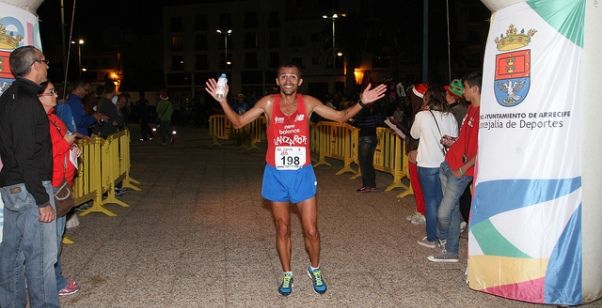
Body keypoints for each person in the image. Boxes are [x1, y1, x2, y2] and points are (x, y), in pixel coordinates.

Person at [205, 63, 386, 296]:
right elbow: (239, 123)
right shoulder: (268, 103)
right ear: (277, 81)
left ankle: (315, 269)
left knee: (311, 230)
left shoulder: (308, 102)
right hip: (275, 174)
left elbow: (341, 117)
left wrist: (362, 102)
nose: (288, 80)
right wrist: (222, 101)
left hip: (302, 173)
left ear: (300, 82)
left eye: (293, 77)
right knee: (282, 228)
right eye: (283, 77)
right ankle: (287, 273)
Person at [0, 45, 60, 307]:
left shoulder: (7, 98)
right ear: (35, 65)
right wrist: (41, 199)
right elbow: (26, 154)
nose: (47, 65)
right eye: (45, 61)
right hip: (29, 188)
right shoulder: (27, 102)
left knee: (12, 256)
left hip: (13, 186)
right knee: (41, 259)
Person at [428, 72, 481, 263]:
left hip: (460, 171)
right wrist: (454, 142)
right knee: (451, 211)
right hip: (449, 164)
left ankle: (441, 238)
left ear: (475, 89)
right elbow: (468, 140)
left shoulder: (484, 114)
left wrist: (463, 167)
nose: (463, 91)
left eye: (465, 87)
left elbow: (483, 148)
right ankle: (451, 251)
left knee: (444, 213)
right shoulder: (471, 109)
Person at [38, 80, 81, 296]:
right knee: (51, 240)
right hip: (50, 185)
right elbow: (45, 151)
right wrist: (66, 143)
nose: (56, 95)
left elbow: (65, 140)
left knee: (55, 236)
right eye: (50, 92)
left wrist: (73, 146)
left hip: (62, 184)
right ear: (38, 97)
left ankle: (53, 279)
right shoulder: (38, 121)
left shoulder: (54, 118)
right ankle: (54, 282)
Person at [410, 86, 458, 249]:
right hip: (445, 164)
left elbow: (414, 134)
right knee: (443, 201)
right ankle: (444, 236)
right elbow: (455, 138)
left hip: (427, 164)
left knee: (430, 201)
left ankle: (432, 237)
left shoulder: (422, 116)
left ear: (427, 100)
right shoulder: (450, 116)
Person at [444, 79, 471, 231]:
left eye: (448, 93)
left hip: (459, 156)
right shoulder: (463, 109)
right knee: (462, 191)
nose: (445, 96)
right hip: (461, 154)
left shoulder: (456, 112)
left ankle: (464, 219)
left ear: (453, 96)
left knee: (460, 192)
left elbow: (460, 134)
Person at [405, 83, 428, 225]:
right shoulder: (419, 112)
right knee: (417, 185)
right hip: (417, 153)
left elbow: (416, 135)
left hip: (419, 154)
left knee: (420, 185)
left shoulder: (421, 113)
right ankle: (420, 210)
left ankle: (423, 212)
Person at [352, 97, 386, 192]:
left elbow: (358, 123)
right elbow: (380, 121)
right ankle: (372, 185)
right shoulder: (375, 111)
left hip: (365, 138)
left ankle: (366, 185)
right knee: (369, 162)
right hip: (373, 137)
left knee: (363, 163)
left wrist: (352, 121)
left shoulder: (364, 111)